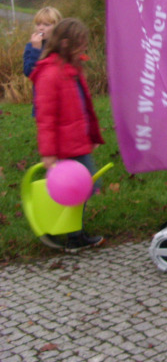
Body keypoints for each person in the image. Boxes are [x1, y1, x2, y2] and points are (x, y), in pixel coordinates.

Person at [30, 18, 106, 252]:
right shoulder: (50, 74)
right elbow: (46, 118)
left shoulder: (73, 69)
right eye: (80, 43)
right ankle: (73, 235)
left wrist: (90, 136)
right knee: (79, 189)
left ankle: (70, 229)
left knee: (89, 185)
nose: (84, 47)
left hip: (77, 143)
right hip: (64, 148)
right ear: (65, 43)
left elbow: (84, 108)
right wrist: (49, 154)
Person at [23, 6, 62, 77]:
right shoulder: (31, 46)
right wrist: (36, 49)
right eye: (38, 24)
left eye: (46, 25)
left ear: (57, 26)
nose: (41, 28)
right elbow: (28, 72)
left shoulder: (62, 44)